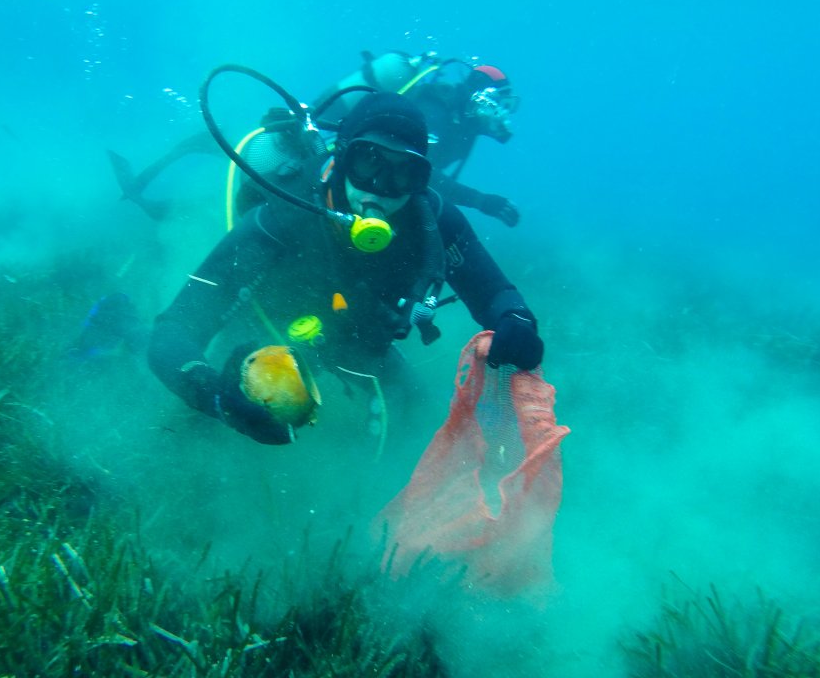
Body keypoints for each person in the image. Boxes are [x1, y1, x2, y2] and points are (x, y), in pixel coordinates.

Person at [147, 91, 543, 445]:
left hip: (358, 337)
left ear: (422, 178)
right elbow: (174, 329)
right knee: (203, 430)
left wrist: (516, 320)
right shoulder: (283, 217)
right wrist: (215, 396)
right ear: (340, 158)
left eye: (404, 172)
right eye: (367, 162)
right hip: (264, 327)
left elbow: (493, 292)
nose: (380, 189)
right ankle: (118, 321)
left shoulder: (433, 220)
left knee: (417, 419)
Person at [108, 52, 523, 227]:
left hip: (340, 165)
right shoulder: (435, 116)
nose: (501, 116)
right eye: (497, 104)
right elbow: (420, 177)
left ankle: (164, 201)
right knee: (254, 171)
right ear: (478, 97)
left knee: (245, 179)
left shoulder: (459, 128)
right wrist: (484, 201)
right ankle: (156, 185)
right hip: (326, 155)